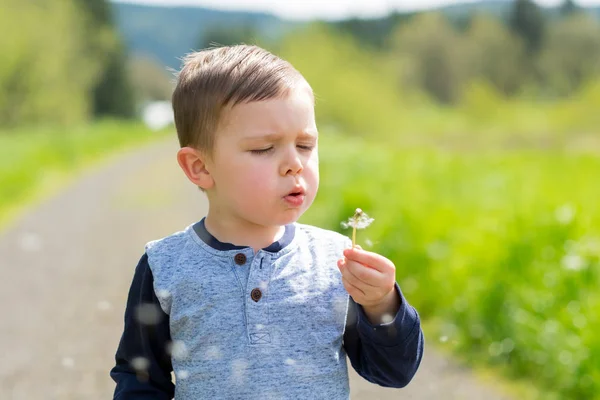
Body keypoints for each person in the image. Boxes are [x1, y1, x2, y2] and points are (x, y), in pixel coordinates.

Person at [110, 44, 424, 399]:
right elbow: (140, 379)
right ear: (200, 167)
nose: (295, 164)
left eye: (305, 145)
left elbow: (393, 372)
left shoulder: (335, 260)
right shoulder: (165, 266)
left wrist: (381, 305)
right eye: (263, 149)